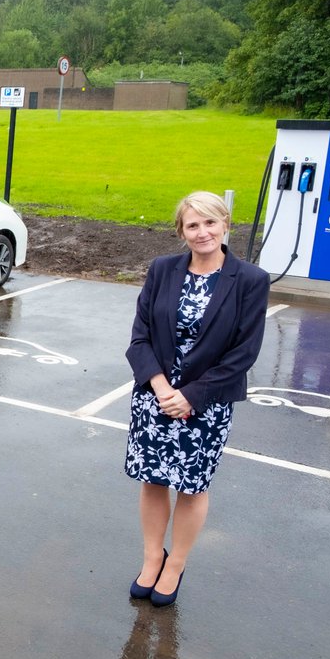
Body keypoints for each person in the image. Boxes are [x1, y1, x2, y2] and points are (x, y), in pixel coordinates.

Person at [124, 191, 270, 606]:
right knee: (153, 479)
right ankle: (153, 557)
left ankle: (176, 564)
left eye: (210, 222)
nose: (202, 232)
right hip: (155, 397)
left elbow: (243, 354)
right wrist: (161, 388)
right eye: (193, 225)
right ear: (181, 231)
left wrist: (189, 396)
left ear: (226, 225)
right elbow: (140, 338)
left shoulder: (251, 280)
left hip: (206, 403)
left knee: (191, 485)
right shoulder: (162, 270)